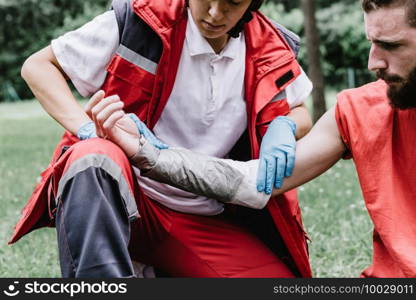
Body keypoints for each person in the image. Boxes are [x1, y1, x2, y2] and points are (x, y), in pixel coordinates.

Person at [92, 0, 416, 278]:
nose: (373, 62)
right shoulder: (360, 109)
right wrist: (153, 155)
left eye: (391, 45)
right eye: (372, 43)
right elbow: (251, 183)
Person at [9, 0, 314, 278]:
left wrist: (284, 125)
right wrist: (85, 128)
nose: (215, 13)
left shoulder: (271, 45)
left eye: (232, 3)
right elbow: (38, 67)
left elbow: (300, 109)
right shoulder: (140, 18)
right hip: (125, 193)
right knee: (92, 154)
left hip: (199, 214)